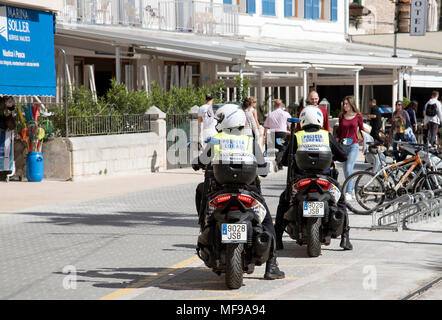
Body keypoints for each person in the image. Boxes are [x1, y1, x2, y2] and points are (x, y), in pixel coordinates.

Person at [193, 104, 285, 280]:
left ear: (227, 120)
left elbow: (202, 160)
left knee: (200, 190)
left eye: (220, 119)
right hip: (248, 191)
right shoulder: (249, 140)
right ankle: (271, 265)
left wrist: (197, 163)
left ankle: (204, 224)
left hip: (219, 191)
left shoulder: (216, 138)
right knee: (266, 222)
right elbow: (263, 170)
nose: (218, 122)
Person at [274, 106, 352, 251]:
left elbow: (284, 160)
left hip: (301, 179)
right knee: (341, 201)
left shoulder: (297, 136)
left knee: (284, 201)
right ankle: (345, 238)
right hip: (325, 179)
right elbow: (343, 156)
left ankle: (277, 238)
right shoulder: (326, 135)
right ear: (320, 119)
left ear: (302, 119)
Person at [336, 96, 370, 201]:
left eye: (346, 104)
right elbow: (339, 132)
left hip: (353, 146)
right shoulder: (341, 116)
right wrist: (336, 143)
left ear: (351, 104)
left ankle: (348, 191)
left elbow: (362, 129)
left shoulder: (358, 116)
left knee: (348, 168)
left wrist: (367, 141)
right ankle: (352, 189)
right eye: (343, 104)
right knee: (346, 170)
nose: (344, 106)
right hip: (342, 146)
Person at [263, 99, 291, 170]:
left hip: (271, 134)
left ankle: (274, 166)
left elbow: (266, 126)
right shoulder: (285, 114)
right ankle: (278, 162)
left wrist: (264, 136)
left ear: (274, 105)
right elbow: (291, 125)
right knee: (282, 149)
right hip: (281, 135)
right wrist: (288, 131)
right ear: (281, 105)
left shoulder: (270, 114)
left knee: (270, 150)